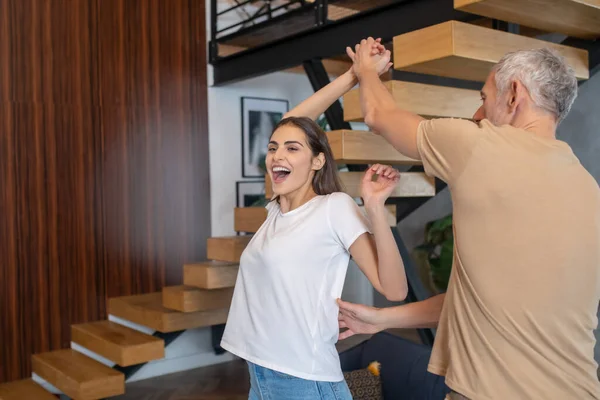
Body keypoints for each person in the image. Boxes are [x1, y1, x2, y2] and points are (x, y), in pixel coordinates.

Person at [338, 38, 600, 400]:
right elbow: (480, 302)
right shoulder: (587, 187)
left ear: (513, 94)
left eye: (483, 98)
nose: (477, 114)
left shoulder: (480, 144)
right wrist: (380, 318)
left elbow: (378, 116)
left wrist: (366, 69)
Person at [220, 41, 407, 399]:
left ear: (318, 161)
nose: (278, 155)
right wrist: (354, 75)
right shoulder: (276, 207)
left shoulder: (333, 207)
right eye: (273, 147)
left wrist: (374, 208)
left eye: (293, 149)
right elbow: (291, 121)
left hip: (303, 380)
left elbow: (394, 289)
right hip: (260, 373)